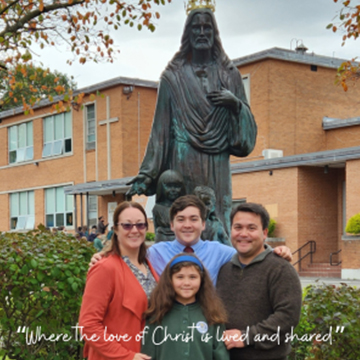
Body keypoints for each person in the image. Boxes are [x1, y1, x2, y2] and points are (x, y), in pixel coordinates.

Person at [126, 7, 257, 235]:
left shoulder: (229, 75)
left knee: (218, 225)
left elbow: (245, 138)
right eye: (196, 28)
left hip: (217, 163)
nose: (202, 33)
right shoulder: (172, 78)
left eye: (207, 27)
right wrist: (147, 175)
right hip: (183, 161)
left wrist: (235, 105)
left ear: (215, 33)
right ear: (188, 34)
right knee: (185, 224)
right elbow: (160, 131)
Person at [91, 195, 292, 285]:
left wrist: (274, 252)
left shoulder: (221, 252)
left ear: (203, 224)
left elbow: (249, 254)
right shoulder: (155, 253)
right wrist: (104, 255)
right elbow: (128, 256)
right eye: (181, 219)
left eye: (194, 219)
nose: (187, 225)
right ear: (171, 225)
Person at [216, 203, 302, 360]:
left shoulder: (280, 269)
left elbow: (288, 317)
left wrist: (247, 337)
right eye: (238, 227)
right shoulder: (225, 269)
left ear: (264, 233)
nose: (243, 233)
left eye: (251, 228)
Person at [79, 202, 159, 360]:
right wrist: (126, 356)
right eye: (127, 225)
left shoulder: (148, 265)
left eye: (140, 225)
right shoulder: (105, 268)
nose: (135, 230)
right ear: (115, 229)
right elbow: (88, 325)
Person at [141, 253, 229, 360]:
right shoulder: (157, 313)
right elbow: (148, 354)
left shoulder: (213, 315)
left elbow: (221, 355)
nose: (186, 283)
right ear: (170, 280)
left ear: (201, 280)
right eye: (180, 277)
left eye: (193, 277)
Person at [152, 170, 186, 242]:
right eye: (169, 186)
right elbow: (156, 228)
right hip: (162, 240)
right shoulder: (157, 208)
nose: (173, 190)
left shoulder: (185, 208)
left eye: (177, 186)